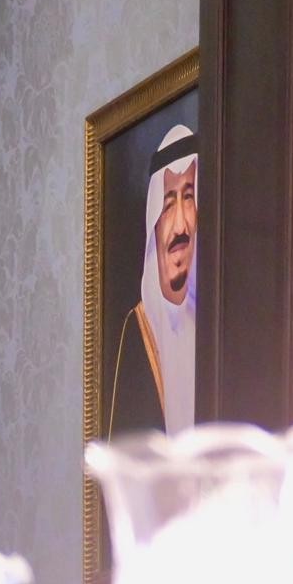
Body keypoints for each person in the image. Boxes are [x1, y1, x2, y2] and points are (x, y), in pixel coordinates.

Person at [103, 120, 199, 439]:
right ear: (154, 225)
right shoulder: (139, 331)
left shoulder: (221, 325)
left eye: (189, 197)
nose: (180, 226)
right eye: (168, 204)